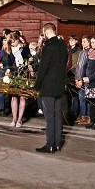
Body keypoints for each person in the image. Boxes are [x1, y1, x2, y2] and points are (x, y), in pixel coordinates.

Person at [34, 22, 68, 153]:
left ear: (47, 32)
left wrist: (37, 85)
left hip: (48, 86)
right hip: (59, 85)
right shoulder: (62, 45)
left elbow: (43, 68)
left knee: (49, 117)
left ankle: (50, 145)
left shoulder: (48, 47)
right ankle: (58, 143)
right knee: (57, 115)